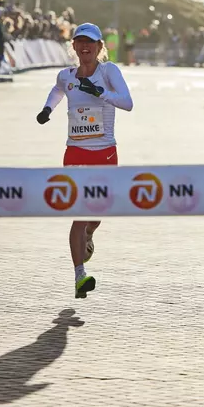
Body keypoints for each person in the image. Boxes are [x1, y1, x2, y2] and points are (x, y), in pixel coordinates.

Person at [35, 22, 134, 299]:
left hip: (105, 152)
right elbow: (58, 90)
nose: (85, 46)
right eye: (80, 42)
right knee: (79, 214)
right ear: (74, 47)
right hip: (76, 153)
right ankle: (80, 275)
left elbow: (127, 103)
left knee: (99, 212)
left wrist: (101, 93)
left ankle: (90, 233)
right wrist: (47, 109)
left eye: (90, 42)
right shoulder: (66, 75)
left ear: (100, 47)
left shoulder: (109, 71)